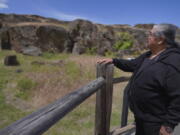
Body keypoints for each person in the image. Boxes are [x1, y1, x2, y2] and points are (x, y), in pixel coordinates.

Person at [97, 24, 180, 135]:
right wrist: (114, 61)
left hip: (156, 122)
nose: (147, 36)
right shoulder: (149, 55)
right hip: (141, 116)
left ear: (160, 40)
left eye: (150, 34)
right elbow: (132, 64)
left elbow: (178, 96)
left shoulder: (173, 62)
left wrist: (168, 125)